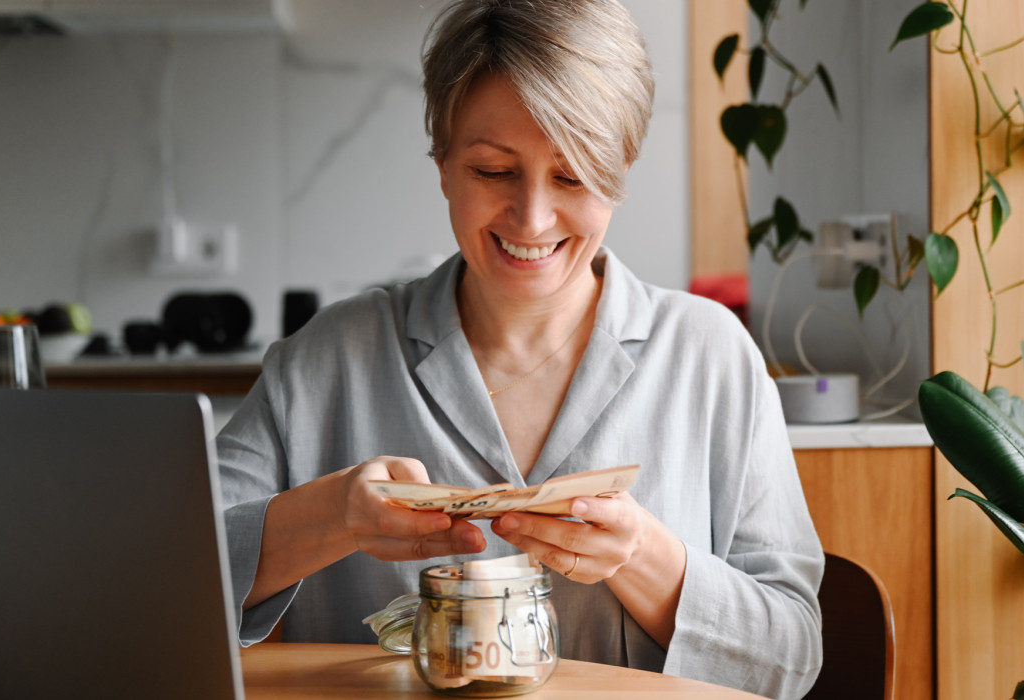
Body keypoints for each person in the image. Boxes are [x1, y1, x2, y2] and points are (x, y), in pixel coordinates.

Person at [217, 0, 824, 696]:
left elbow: (791, 659)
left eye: (570, 177)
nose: (532, 218)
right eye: (492, 171)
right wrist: (330, 515)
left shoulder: (710, 356)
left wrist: (644, 559)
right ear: (442, 163)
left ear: (619, 173)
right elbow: (156, 580)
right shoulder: (327, 359)